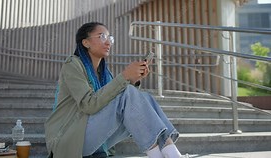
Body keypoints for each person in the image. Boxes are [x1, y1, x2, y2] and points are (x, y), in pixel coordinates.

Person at [44, 22, 188, 158]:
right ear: (85, 42)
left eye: (110, 38)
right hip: (71, 138)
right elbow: (88, 104)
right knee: (129, 94)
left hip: (96, 138)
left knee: (145, 98)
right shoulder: (72, 65)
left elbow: (125, 103)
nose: (108, 42)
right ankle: (161, 154)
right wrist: (124, 76)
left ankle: (170, 150)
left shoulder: (105, 73)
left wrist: (133, 80)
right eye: (102, 37)